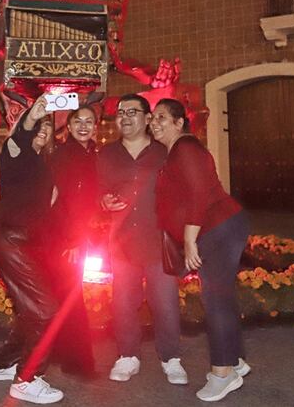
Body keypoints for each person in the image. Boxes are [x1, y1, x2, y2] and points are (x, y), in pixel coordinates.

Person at [151, 98, 250, 402]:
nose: (154, 122)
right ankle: (234, 360)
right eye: (153, 117)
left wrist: (191, 238)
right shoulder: (176, 152)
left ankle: (223, 373)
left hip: (216, 228)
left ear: (180, 122)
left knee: (215, 299)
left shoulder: (187, 149)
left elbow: (199, 194)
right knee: (221, 296)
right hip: (218, 228)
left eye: (162, 117)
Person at [97, 93, 186, 386]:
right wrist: (104, 201)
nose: (124, 117)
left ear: (147, 119)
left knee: (166, 302)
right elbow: (97, 192)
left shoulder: (164, 152)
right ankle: (127, 355)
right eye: (120, 112)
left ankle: (171, 358)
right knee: (123, 301)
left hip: (159, 240)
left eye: (132, 111)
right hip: (122, 240)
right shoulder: (107, 155)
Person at [0, 96, 65, 405]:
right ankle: (27, 380)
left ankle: (3, 364)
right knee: (47, 311)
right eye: (37, 129)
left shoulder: (38, 163)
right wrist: (34, 114)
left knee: (29, 310)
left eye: (47, 130)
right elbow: (20, 134)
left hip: (23, 242)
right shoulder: (14, 153)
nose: (41, 133)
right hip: (13, 240)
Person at [46, 105, 100, 377]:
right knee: (71, 297)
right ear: (68, 126)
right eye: (78, 121)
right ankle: (78, 362)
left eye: (89, 121)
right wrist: (73, 239)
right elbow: (59, 199)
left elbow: (88, 198)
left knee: (65, 295)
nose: (83, 126)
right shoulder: (65, 154)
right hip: (64, 237)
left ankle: (59, 353)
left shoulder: (91, 153)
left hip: (75, 233)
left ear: (96, 126)